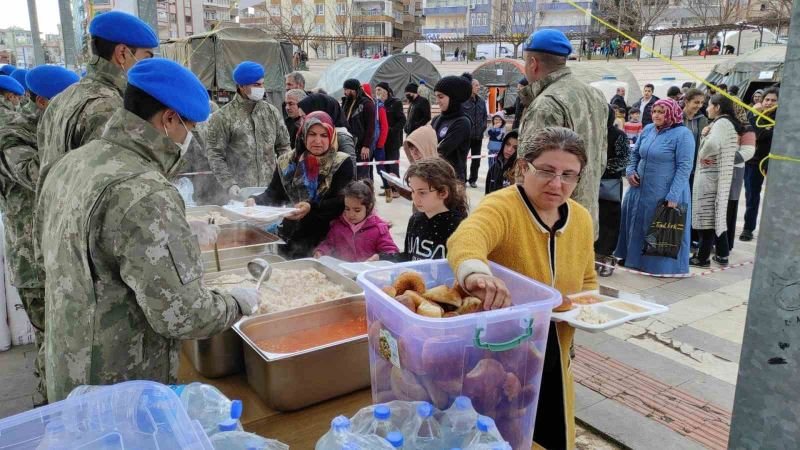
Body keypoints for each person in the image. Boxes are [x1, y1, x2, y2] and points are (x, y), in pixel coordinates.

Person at [35, 59, 259, 403]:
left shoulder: (70, 163)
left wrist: (178, 232)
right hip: (120, 383)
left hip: (68, 365)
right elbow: (182, 316)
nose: (190, 139)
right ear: (169, 119)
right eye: (190, 127)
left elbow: (48, 254)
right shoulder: (146, 191)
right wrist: (237, 303)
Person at [447, 127, 597, 449]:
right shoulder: (502, 207)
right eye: (546, 171)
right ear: (523, 168)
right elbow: (467, 237)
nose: (557, 184)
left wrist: (591, 309)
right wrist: (475, 273)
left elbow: (588, 281)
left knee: (551, 431)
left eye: (569, 175)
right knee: (506, 435)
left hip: (555, 350)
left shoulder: (581, 219)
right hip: (502, 358)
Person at [0, 66, 79, 405]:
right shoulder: (13, 134)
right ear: (44, 101)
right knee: (51, 342)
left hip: (63, 252)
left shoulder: (56, 125)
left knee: (69, 340)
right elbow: (38, 176)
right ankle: (52, 411)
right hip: (34, 259)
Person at [37, 11, 158, 185]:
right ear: (122, 53)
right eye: (146, 58)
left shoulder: (61, 98)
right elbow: (115, 183)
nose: (148, 66)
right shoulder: (109, 107)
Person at [517, 28, 608, 239]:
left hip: (550, 225)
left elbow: (529, 173)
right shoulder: (595, 95)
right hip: (584, 218)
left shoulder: (546, 105)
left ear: (533, 63)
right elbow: (600, 159)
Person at [245, 111, 355, 258]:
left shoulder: (341, 162)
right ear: (303, 134)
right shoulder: (287, 162)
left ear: (331, 136)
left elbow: (342, 201)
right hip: (291, 236)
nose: (317, 141)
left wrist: (311, 207)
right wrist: (255, 201)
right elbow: (274, 194)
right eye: (312, 134)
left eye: (324, 135)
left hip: (327, 240)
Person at [615, 98, 694, 274]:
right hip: (639, 189)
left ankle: (658, 266)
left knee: (658, 226)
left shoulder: (683, 135)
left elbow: (685, 167)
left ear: (671, 113)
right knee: (636, 222)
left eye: (661, 112)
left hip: (664, 191)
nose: (657, 115)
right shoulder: (649, 129)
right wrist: (630, 170)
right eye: (655, 111)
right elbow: (635, 153)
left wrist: (673, 195)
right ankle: (633, 260)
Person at [206, 61, 291, 200]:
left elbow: (284, 147)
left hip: (269, 191)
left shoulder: (271, 112)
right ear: (241, 86)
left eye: (262, 84)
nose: (261, 88)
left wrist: (285, 176)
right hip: (240, 192)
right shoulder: (223, 117)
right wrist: (229, 184)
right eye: (256, 85)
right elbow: (215, 154)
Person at [381, 157, 468, 261]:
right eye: (413, 191)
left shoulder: (459, 226)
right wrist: (381, 257)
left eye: (422, 192)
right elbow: (408, 257)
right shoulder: (415, 219)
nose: (415, 198)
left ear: (443, 192)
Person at [691, 93, 741, 266]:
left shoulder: (721, 123)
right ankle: (720, 255)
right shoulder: (726, 123)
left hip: (709, 176)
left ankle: (702, 257)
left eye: (709, 105)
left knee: (706, 219)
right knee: (714, 218)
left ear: (717, 107)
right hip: (715, 176)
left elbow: (711, 146)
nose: (706, 108)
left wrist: (703, 144)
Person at [314, 180, 399, 262]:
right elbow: (329, 244)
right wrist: (321, 251)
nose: (351, 214)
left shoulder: (379, 229)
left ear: (369, 207)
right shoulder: (338, 225)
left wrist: (380, 257)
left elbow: (392, 253)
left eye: (357, 210)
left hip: (366, 274)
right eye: (347, 208)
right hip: (343, 271)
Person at [741, 87, 778, 242]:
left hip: (774, 162)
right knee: (752, 197)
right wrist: (754, 113)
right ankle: (748, 228)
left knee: (777, 198)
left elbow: (764, 134)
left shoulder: (781, 117)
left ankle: (775, 229)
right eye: (766, 100)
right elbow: (752, 132)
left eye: (773, 100)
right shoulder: (754, 115)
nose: (769, 103)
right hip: (754, 162)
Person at [596, 105, 629, 276]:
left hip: (609, 185)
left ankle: (606, 258)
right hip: (591, 184)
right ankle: (593, 257)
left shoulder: (619, 135)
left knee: (609, 221)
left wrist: (601, 168)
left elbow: (624, 159)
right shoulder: (591, 133)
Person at [296, 92, 357, 169]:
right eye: (300, 118)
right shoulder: (303, 135)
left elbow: (350, 174)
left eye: (304, 117)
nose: (301, 122)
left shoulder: (341, 138)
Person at [430, 75, 472, 181]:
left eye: (441, 97)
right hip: (434, 175)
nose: (437, 101)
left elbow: (441, 151)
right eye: (436, 97)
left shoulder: (462, 122)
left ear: (453, 98)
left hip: (452, 179)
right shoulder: (436, 119)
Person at [727, 104, 755, 251]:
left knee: (729, 208)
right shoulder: (722, 124)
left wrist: (724, 158)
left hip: (734, 172)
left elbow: (748, 152)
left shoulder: (745, 128)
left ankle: (726, 244)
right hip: (718, 171)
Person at [376, 82, 405, 202]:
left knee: (393, 164)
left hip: (393, 140)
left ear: (386, 91)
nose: (377, 92)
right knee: (385, 163)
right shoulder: (379, 104)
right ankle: (388, 188)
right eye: (376, 90)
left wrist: (391, 130)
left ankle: (396, 189)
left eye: (380, 89)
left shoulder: (395, 103)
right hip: (383, 140)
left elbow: (402, 120)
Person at [342, 79, 376, 181]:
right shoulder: (347, 102)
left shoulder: (367, 104)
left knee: (362, 176)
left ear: (353, 90)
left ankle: (366, 195)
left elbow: (371, 127)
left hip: (361, 145)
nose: (345, 92)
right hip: (349, 143)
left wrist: (366, 146)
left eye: (346, 90)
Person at [463, 77, 489, 187]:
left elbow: (484, 116)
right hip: (466, 136)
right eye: (476, 85)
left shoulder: (482, 101)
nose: (478, 87)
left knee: (476, 160)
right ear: (470, 86)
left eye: (478, 85)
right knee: (462, 159)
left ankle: (473, 179)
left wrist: (482, 127)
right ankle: (462, 179)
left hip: (478, 136)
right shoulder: (463, 101)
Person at [484, 130, 518, 194]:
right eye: (507, 144)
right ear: (503, 144)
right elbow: (487, 194)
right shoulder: (494, 167)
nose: (509, 149)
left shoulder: (519, 171)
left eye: (515, 148)